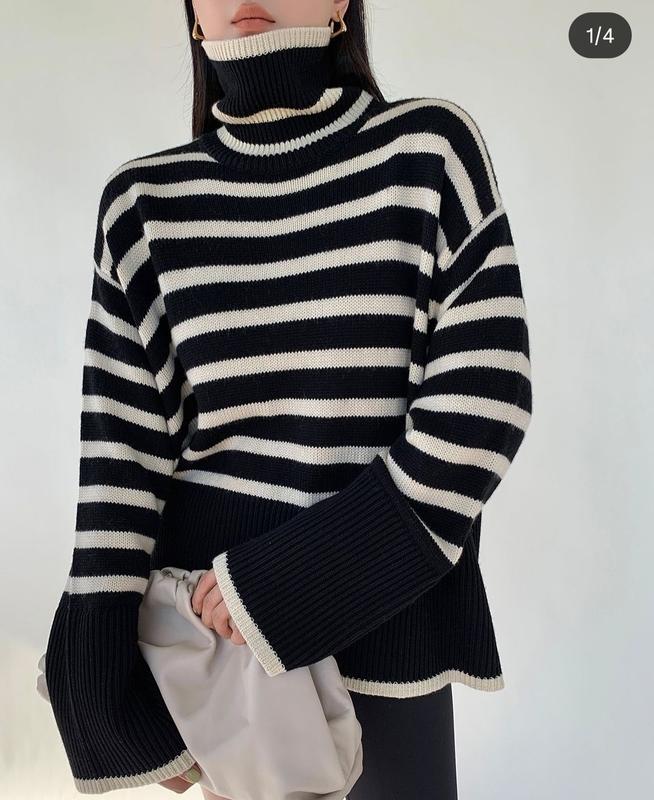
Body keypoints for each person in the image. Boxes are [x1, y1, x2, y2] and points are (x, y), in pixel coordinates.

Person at [38, 1, 532, 797]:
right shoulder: (143, 203)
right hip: (223, 668)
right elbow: (119, 467)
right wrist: (105, 701)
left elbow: (484, 405)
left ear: (341, 3)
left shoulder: (429, 150)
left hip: (382, 631)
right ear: (191, 16)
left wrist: (283, 587)